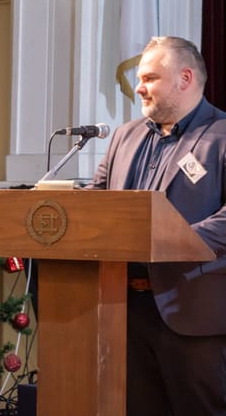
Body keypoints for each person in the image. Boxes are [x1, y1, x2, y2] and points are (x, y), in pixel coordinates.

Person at [87, 36, 226, 415]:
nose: (141, 87)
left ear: (185, 78)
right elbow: (96, 202)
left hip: (192, 313)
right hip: (124, 309)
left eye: (150, 77)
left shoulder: (221, 136)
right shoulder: (124, 136)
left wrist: (170, 239)